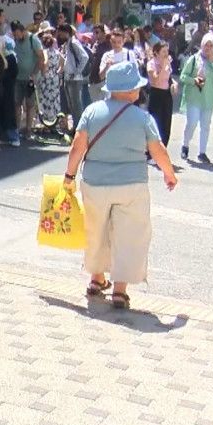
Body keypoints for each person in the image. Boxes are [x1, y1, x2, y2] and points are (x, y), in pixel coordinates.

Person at [62, 61, 178, 310]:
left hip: (94, 183)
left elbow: (77, 147)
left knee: (96, 231)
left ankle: (96, 279)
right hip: (132, 185)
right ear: (131, 91)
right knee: (129, 235)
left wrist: (69, 177)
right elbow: (158, 150)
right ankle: (120, 290)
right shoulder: (143, 118)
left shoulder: (92, 112)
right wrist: (169, 173)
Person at [179, 34, 213, 163]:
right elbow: (183, 76)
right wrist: (194, 80)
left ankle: (202, 152)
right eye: (206, 45)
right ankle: (185, 145)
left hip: (208, 99)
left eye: (211, 45)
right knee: (192, 123)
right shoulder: (193, 59)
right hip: (194, 97)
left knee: (205, 125)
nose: (208, 48)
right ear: (202, 45)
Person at [11, 21, 44, 139]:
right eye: (14, 35)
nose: (16, 37)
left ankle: (29, 129)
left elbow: (41, 57)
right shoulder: (15, 41)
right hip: (18, 78)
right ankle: (17, 128)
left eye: (17, 34)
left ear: (22, 31)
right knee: (16, 103)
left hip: (30, 78)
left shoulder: (33, 40)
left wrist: (34, 74)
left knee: (30, 105)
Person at [58, 24, 90, 132]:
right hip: (68, 77)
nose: (60, 34)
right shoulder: (67, 44)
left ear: (66, 32)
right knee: (71, 105)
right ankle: (76, 127)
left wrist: (77, 71)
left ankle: (80, 129)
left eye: (61, 32)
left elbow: (85, 57)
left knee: (76, 105)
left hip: (75, 79)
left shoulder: (73, 42)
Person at [145, 42, 175, 149]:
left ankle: (163, 149)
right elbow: (156, 81)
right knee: (155, 123)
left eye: (167, 51)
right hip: (156, 94)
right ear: (156, 53)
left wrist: (173, 83)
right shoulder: (151, 64)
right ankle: (152, 152)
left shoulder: (168, 62)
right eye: (163, 51)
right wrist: (163, 66)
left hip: (166, 95)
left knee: (166, 124)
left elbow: (169, 77)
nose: (166, 54)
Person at [36, 33, 64, 129]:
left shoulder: (45, 51)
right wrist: (59, 70)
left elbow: (45, 62)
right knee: (54, 98)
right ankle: (54, 120)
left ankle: (46, 121)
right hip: (55, 77)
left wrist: (43, 71)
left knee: (45, 98)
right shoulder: (56, 52)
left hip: (47, 77)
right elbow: (63, 61)